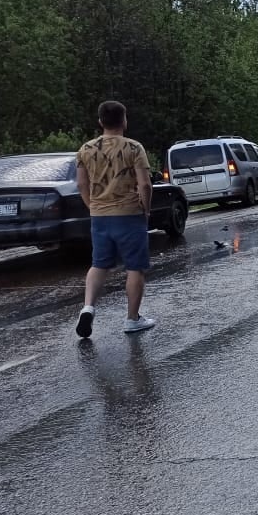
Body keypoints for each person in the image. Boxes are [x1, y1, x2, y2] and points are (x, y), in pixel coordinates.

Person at [74, 100, 156, 337]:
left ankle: (88, 307)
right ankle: (132, 319)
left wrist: (93, 206)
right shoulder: (134, 148)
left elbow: (81, 183)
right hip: (129, 214)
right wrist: (146, 208)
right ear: (124, 120)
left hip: (99, 215)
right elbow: (145, 184)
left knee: (99, 264)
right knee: (135, 267)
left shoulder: (85, 149)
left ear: (100, 121)